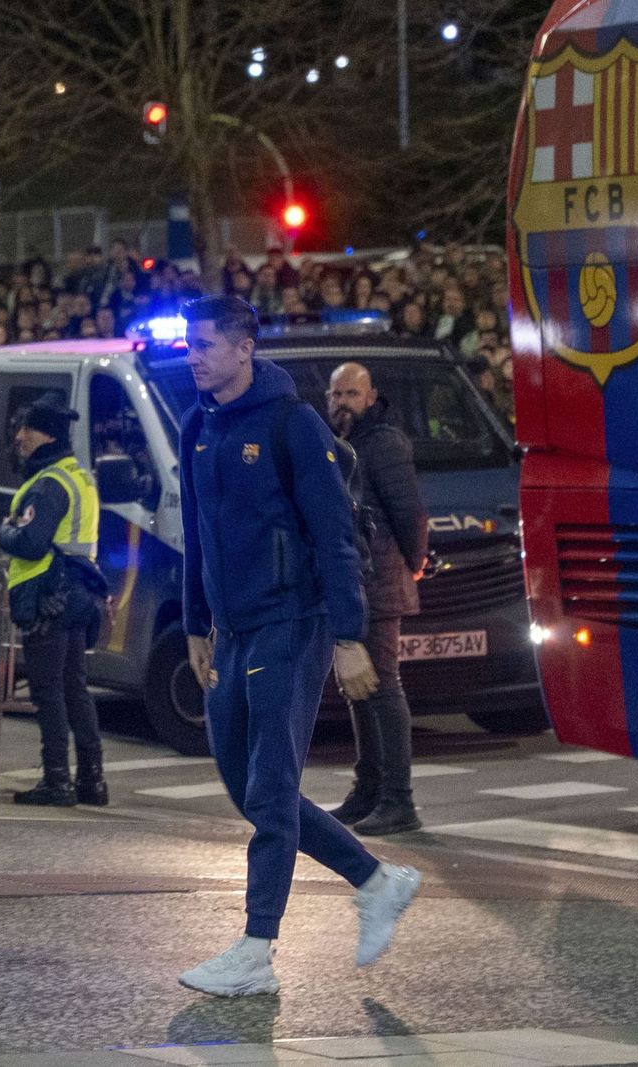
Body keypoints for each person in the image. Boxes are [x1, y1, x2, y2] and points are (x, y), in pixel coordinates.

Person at [175, 296, 419, 998]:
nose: (193, 356)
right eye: (190, 346)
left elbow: (335, 537)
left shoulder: (293, 424)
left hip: (293, 623)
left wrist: (348, 635)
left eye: (204, 345)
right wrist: (197, 622)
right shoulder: (198, 424)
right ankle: (376, 880)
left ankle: (256, 947)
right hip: (234, 628)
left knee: (272, 786)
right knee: (245, 785)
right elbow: (199, 536)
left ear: (244, 346)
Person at [325, 362, 429, 835]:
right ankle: (368, 791)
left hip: (381, 582)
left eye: (351, 393)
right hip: (357, 582)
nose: (342, 402)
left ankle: (398, 799)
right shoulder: (346, 444)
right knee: (359, 690)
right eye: (336, 394)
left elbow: (410, 514)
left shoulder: (382, 443)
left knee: (383, 686)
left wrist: (413, 562)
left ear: (370, 397)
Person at [0, 398, 109, 807]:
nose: (19, 437)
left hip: (49, 595)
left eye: (26, 429)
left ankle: (57, 781)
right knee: (74, 689)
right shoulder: (78, 476)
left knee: (48, 693)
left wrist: (4, 531)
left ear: (46, 434)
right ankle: (92, 781)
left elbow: (29, 541)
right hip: (79, 592)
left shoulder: (47, 483)